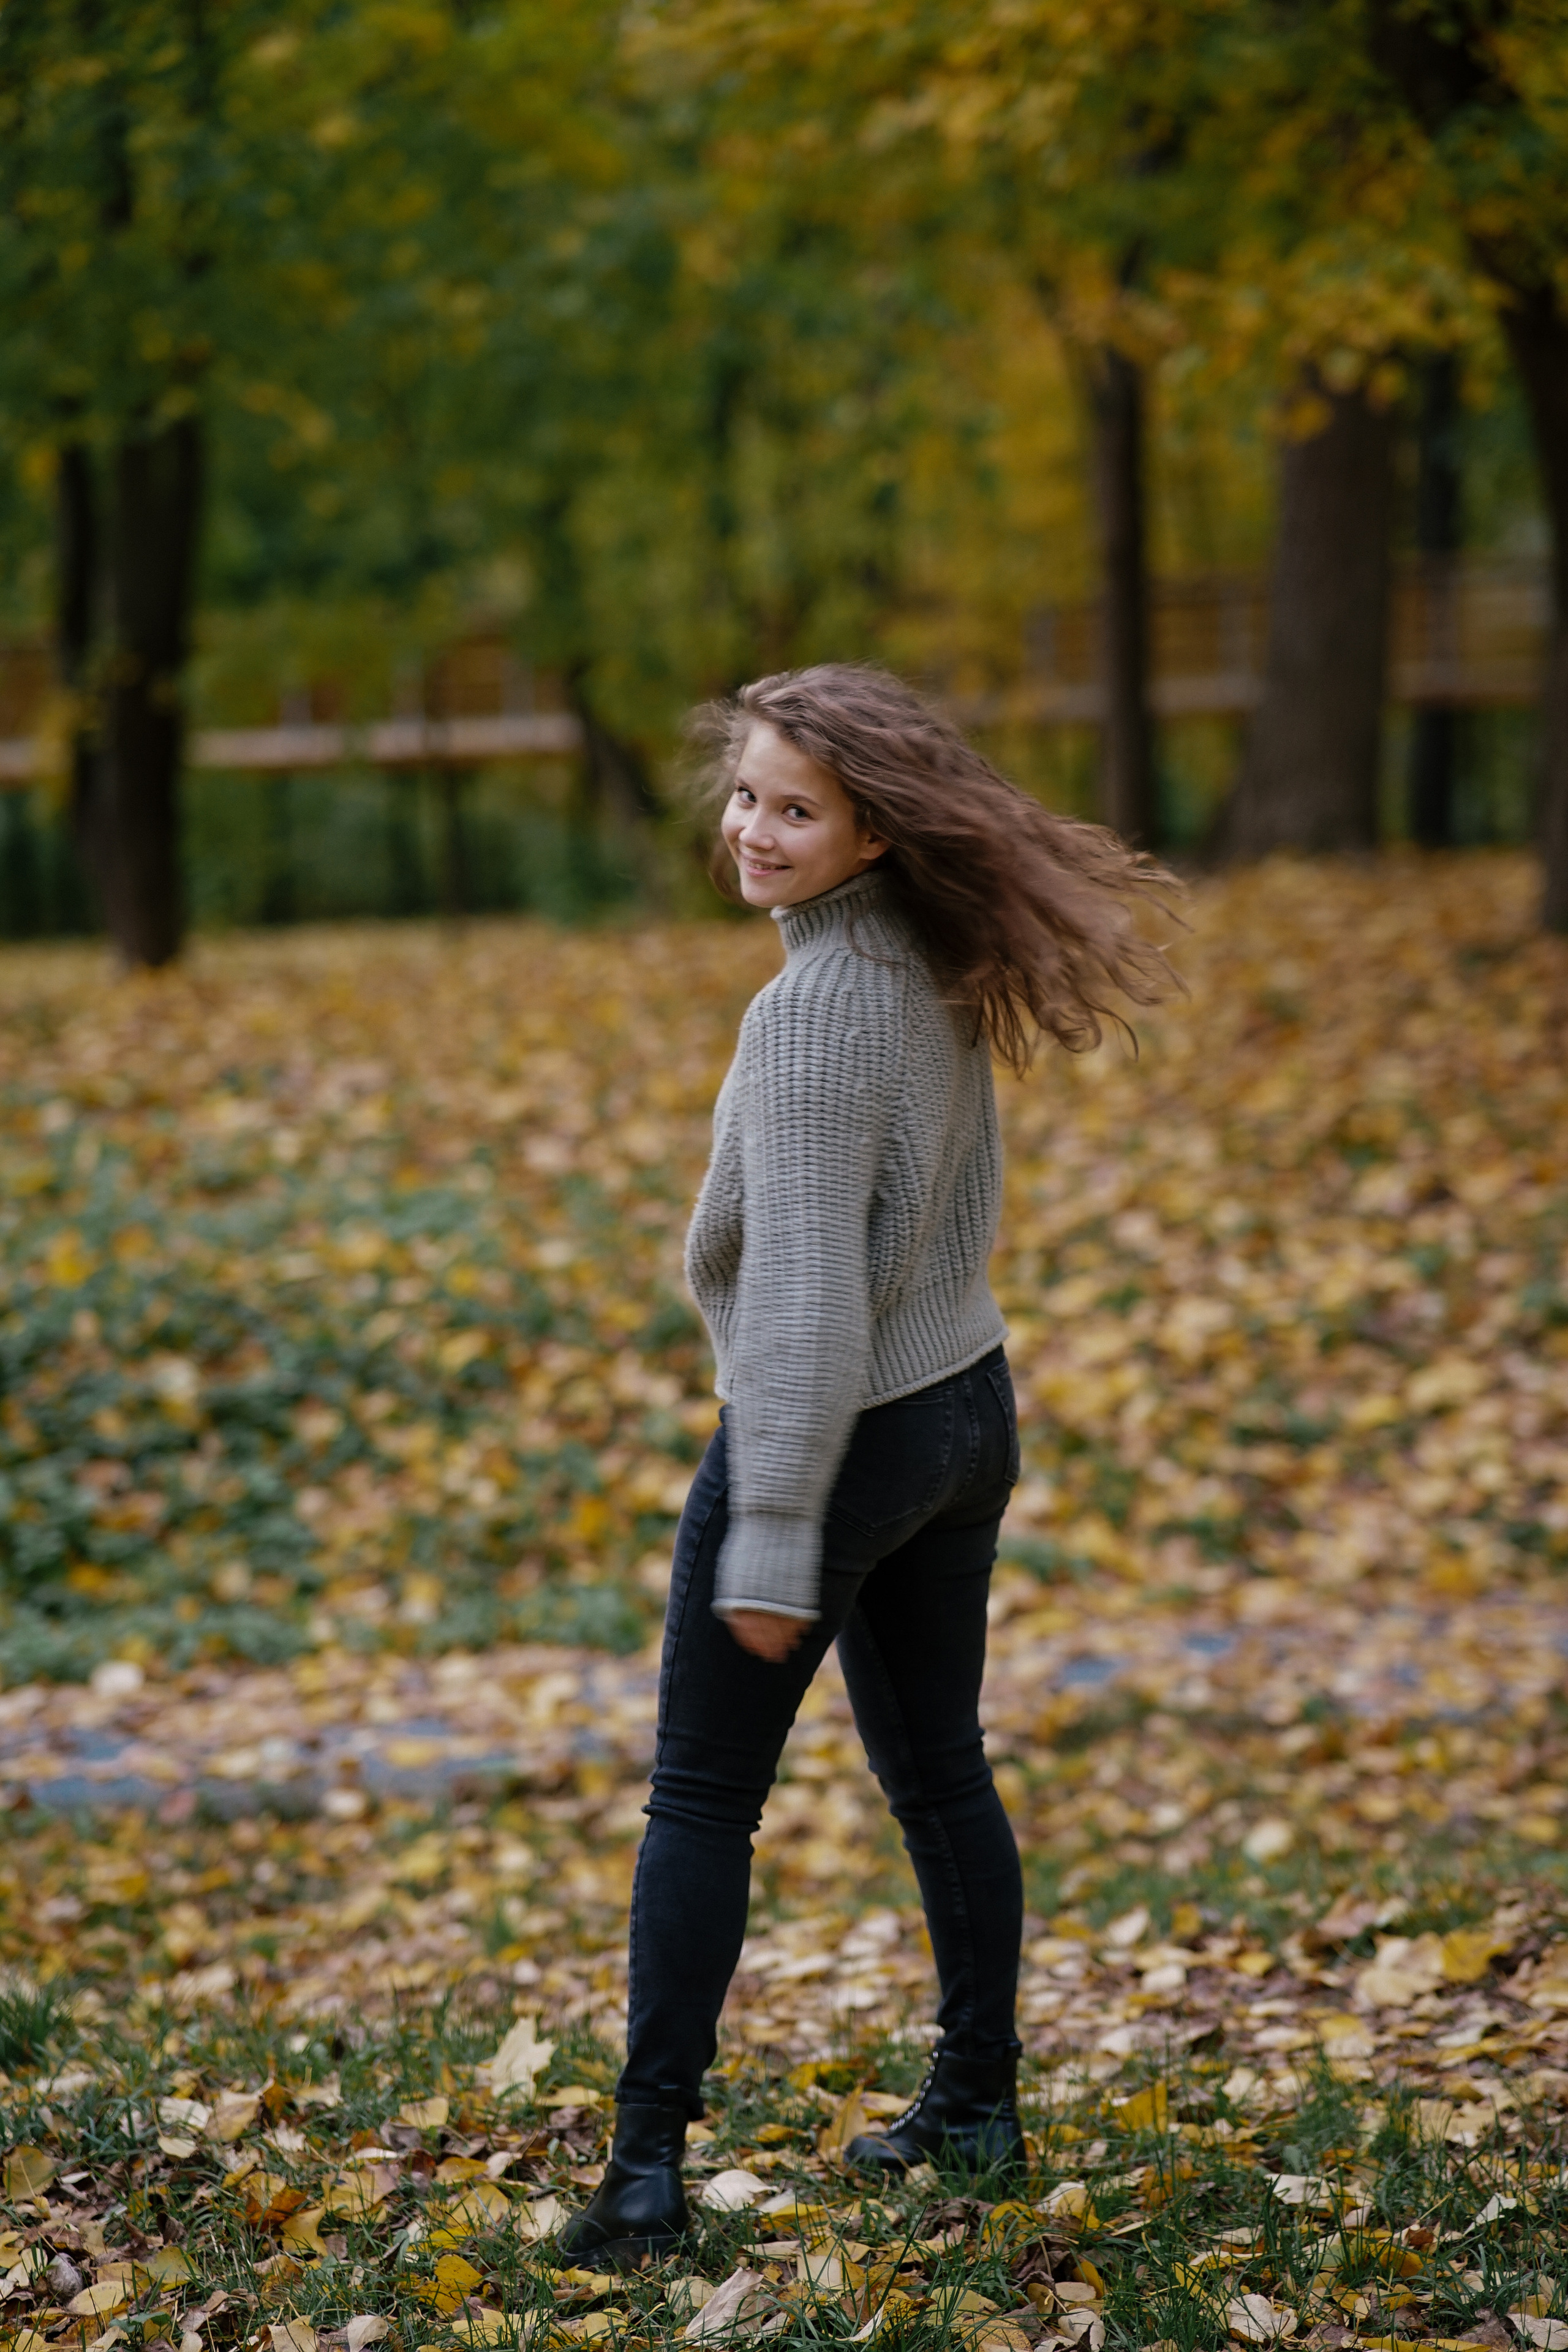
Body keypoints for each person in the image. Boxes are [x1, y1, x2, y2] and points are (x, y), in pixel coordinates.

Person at [558, 663, 1179, 2266]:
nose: (752, 829)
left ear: (876, 836)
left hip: (843, 1436)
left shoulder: (815, 1006)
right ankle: (975, 2099)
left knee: (699, 1798)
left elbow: (810, 1292)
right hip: (962, 1409)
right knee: (940, 1772)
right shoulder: (914, 950)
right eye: (749, 794)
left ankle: (639, 2179)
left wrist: (772, 1526)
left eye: (795, 808)